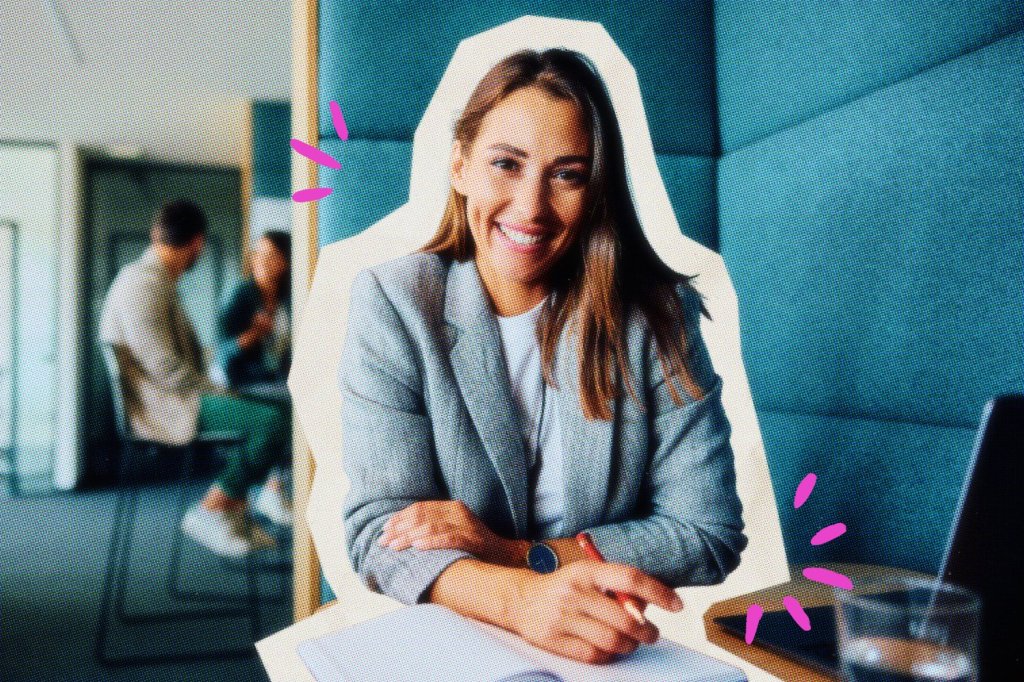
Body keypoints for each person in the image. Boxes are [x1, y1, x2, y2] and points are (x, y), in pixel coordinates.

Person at [338, 49, 747, 665]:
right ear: (460, 165)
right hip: (451, 646)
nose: (531, 207)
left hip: (603, 653)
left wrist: (515, 555)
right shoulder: (394, 302)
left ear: (595, 190)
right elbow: (379, 531)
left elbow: (706, 533)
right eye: (506, 164)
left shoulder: (658, 317)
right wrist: (521, 599)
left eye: (567, 175)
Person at [99, 200, 289, 558]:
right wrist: (218, 390)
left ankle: (234, 509)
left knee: (277, 413)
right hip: (166, 406)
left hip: (173, 396)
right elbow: (164, 367)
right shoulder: (142, 283)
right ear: (197, 243)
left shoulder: (154, 280)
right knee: (272, 421)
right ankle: (214, 506)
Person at [212, 230, 293, 526]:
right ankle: (273, 487)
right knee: (294, 408)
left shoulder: (289, 297)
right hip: (241, 381)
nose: (261, 261)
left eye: (270, 255)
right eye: (258, 254)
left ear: (285, 262)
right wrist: (253, 335)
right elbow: (223, 354)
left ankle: (273, 487)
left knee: (304, 403)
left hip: (276, 380)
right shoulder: (241, 296)